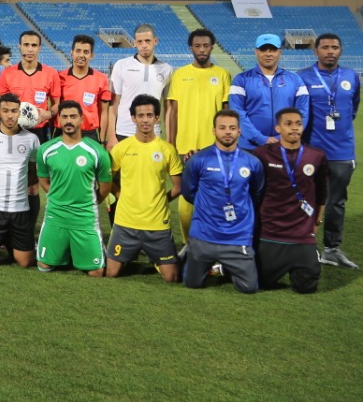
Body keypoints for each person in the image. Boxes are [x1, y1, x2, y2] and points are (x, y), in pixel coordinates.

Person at [181, 109, 265, 293]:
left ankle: (224, 267)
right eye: (222, 128)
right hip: (204, 234)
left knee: (249, 288)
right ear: (214, 131)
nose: (227, 132)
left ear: (239, 132)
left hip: (238, 235)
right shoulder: (198, 160)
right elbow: (188, 192)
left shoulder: (252, 162)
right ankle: (194, 256)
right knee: (192, 283)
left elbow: (257, 193)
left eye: (232, 128)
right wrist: (209, 206)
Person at [104, 95, 184, 282]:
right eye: (140, 115)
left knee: (171, 277)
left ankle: (156, 258)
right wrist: (118, 193)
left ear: (157, 118)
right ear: (133, 118)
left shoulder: (167, 150)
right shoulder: (121, 148)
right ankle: (127, 255)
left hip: (156, 225)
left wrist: (161, 200)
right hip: (125, 223)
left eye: (150, 115)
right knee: (111, 273)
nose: (145, 120)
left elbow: (178, 187)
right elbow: (106, 178)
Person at [298, 32, 359, 269]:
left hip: (342, 153)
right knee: (305, 200)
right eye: (325, 47)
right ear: (316, 51)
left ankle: (332, 249)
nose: (330, 51)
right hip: (312, 152)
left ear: (341, 51)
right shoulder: (303, 77)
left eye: (335, 47)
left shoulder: (351, 77)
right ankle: (305, 247)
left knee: (336, 202)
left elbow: (352, 108)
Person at [164, 28, 230, 245]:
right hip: (185, 148)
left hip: (214, 149)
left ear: (212, 47)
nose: (202, 50)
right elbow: (172, 111)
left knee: (215, 199)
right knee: (185, 202)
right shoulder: (180, 74)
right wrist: (171, 145)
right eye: (197, 46)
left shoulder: (222, 75)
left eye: (206, 45)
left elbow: (226, 112)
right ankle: (188, 245)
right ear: (191, 48)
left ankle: (213, 244)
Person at [254, 108, 327, 292]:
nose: (294, 128)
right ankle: (225, 265)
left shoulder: (316, 156)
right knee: (259, 283)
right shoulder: (262, 154)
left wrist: (317, 221)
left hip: (302, 235)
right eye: (288, 124)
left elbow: (322, 193)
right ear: (278, 128)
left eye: (298, 124)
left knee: (307, 287)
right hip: (271, 233)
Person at [36, 100, 112, 277]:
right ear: (58, 121)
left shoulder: (97, 151)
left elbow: (105, 187)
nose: (68, 121)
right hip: (56, 214)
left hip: (84, 217)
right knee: (43, 265)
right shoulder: (46, 150)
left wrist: (89, 203)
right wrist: (57, 197)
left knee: (96, 271)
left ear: (81, 119)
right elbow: (43, 179)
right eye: (64, 117)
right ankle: (68, 249)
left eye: (73, 116)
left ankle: (77, 249)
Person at [0, 94, 39, 268]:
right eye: (5, 111)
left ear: (20, 112)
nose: (10, 116)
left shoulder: (32, 139)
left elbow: (33, 172)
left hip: (20, 208)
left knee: (25, 262)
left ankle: (11, 242)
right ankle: (1, 240)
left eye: (14, 111)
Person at [228, 34, 309, 151]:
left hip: (285, 146)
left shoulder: (295, 80)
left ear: (280, 52)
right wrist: (260, 138)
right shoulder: (241, 80)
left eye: (273, 50)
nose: (268, 54)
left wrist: (283, 137)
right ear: (256, 52)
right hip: (250, 147)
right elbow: (238, 113)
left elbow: (303, 113)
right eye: (263, 49)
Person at [108, 24, 173, 147]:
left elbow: (168, 108)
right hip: (124, 131)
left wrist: (169, 138)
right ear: (134, 43)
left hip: (153, 133)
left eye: (147, 41)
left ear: (155, 41)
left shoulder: (166, 69)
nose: (144, 45)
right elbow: (114, 104)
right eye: (140, 41)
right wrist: (111, 136)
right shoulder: (122, 65)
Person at [0, 30, 61, 140]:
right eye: (26, 45)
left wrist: (48, 114)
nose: (30, 49)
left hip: (40, 130)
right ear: (19, 46)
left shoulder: (51, 73)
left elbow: (57, 104)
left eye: (34, 45)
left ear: (39, 48)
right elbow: (2, 104)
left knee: (38, 157)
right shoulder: (7, 74)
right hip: (14, 129)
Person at [60, 34, 111, 142]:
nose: (81, 55)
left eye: (86, 52)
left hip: (89, 133)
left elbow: (104, 112)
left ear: (91, 55)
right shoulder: (60, 78)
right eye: (78, 51)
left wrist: (102, 140)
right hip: (65, 131)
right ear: (71, 52)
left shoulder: (101, 79)